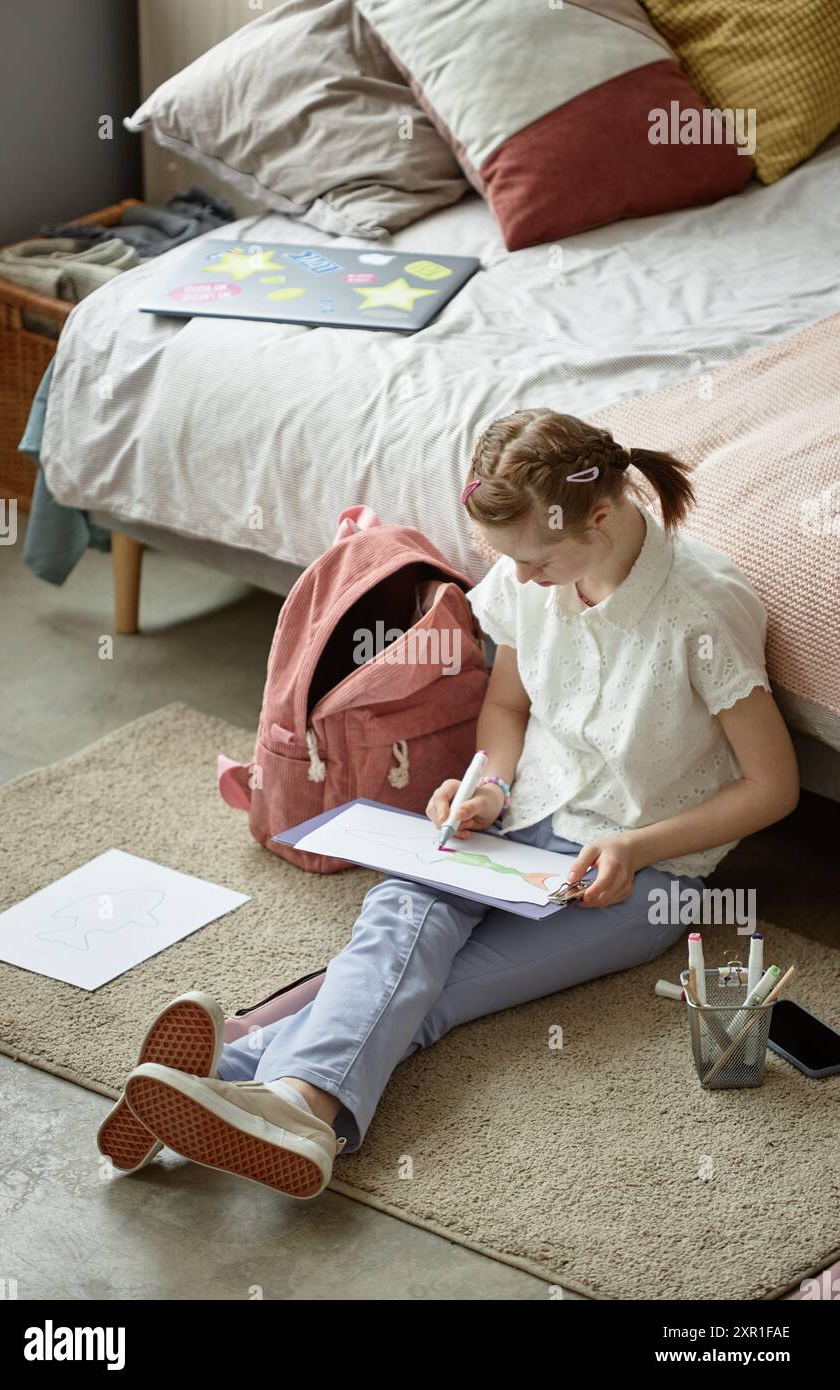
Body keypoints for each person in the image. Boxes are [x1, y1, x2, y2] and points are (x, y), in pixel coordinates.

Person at [101, 408, 799, 1199]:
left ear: (599, 515)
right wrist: (487, 786)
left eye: (534, 561)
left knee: (439, 988)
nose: (522, 580)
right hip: (517, 821)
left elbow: (772, 788)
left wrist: (636, 848)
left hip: (644, 875)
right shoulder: (528, 572)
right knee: (397, 919)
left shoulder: (703, 609)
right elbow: (505, 711)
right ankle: (290, 1106)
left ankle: (231, 1071)